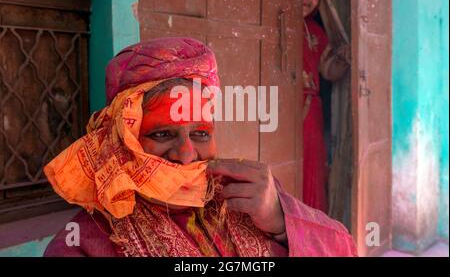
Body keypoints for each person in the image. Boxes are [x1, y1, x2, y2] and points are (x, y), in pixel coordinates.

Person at [43, 37, 356, 257]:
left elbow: (346, 249)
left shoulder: (249, 196)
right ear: (122, 141)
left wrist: (282, 222)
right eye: (163, 134)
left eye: (201, 134)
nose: (187, 154)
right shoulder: (84, 242)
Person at [301, 0, 351, 213]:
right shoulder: (275, 26)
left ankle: (308, 229)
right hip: (279, 111)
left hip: (310, 114)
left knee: (312, 170)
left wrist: (343, 58)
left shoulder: (318, 33)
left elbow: (327, 71)